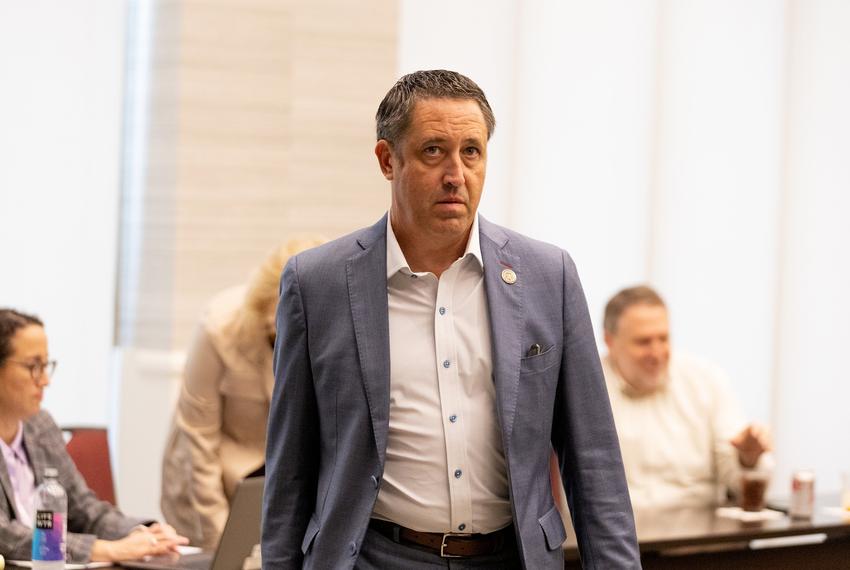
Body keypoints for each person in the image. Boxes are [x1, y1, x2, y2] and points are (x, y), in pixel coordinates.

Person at [262, 70, 640, 569]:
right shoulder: (317, 283)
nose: (456, 175)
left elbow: (594, 462)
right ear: (387, 160)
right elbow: (289, 470)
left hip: (511, 556)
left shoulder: (549, 276)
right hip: (374, 556)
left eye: (472, 152)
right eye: (433, 151)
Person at [161, 239, 322, 549]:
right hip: (209, 480)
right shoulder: (220, 326)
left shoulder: (334, 327)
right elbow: (199, 443)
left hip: (279, 479)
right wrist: (223, 545)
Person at [0, 308, 188, 562]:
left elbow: (85, 508)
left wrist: (141, 533)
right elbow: (5, 536)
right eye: (33, 366)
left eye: (46, 366)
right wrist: (106, 550)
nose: (45, 380)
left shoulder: (40, 426)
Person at [601, 285, 773, 510]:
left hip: (699, 535)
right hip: (620, 536)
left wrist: (747, 459)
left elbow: (739, 484)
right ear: (610, 341)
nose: (657, 353)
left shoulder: (704, 379)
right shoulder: (583, 388)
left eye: (663, 339)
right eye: (643, 342)